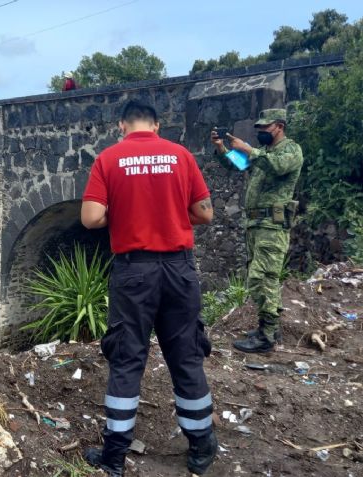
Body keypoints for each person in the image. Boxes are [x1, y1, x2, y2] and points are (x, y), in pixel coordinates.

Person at [80, 100, 217, 476]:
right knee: (186, 354)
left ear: (122, 125)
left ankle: (114, 459)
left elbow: (91, 217)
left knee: (126, 358)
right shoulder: (180, 155)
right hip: (179, 270)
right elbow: (205, 212)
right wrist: (171, 211)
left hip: (134, 272)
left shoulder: (109, 158)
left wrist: (123, 212)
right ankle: (202, 445)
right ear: (156, 125)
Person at [211, 109, 304, 353]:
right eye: (260, 128)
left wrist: (248, 148)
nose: (262, 132)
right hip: (256, 226)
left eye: (266, 127)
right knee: (261, 278)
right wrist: (223, 149)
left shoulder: (290, 150)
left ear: (280, 126)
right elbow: (240, 165)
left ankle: (267, 337)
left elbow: (279, 167)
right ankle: (268, 328)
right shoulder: (265, 154)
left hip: (272, 227)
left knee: (261, 278)